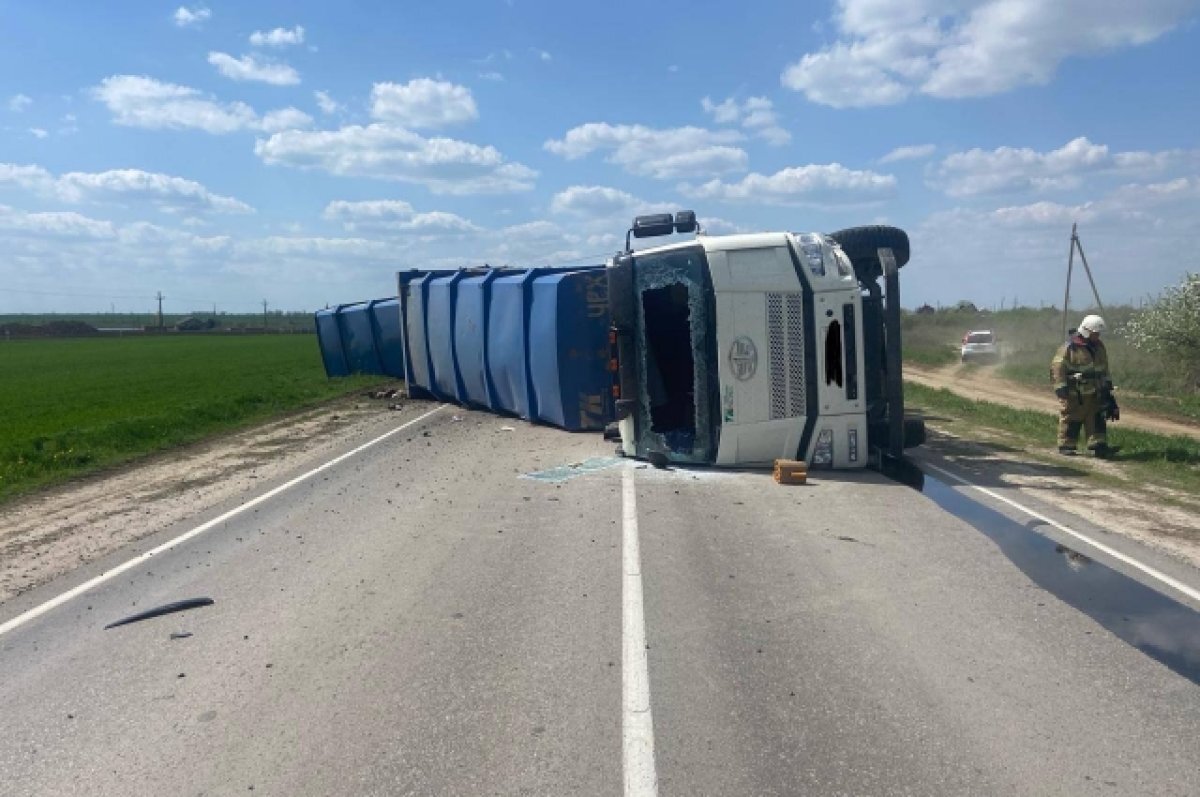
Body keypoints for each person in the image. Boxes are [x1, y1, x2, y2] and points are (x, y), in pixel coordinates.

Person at [1050, 314, 1115, 457]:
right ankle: (1066, 445)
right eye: (1095, 333)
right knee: (1072, 418)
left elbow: (1104, 367)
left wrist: (1107, 384)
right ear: (1086, 331)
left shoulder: (1099, 347)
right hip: (1075, 392)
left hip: (1096, 391)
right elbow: (1057, 368)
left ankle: (1098, 445)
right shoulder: (1070, 347)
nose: (1097, 336)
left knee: (1097, 418)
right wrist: (1060, 387)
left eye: (1098, 333)